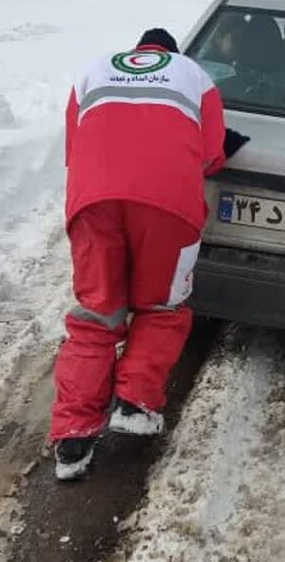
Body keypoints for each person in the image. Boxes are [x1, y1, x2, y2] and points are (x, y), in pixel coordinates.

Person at [51, 28, 248, 480]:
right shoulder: (195, 77)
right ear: (173, 54)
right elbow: (211, 153)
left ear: (137, 49)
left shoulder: (92, 72)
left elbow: (73, 148)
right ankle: (135, 405)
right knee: (162, 306)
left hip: (93, 203)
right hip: (168, 207)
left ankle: (73, 440)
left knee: (97, 314)